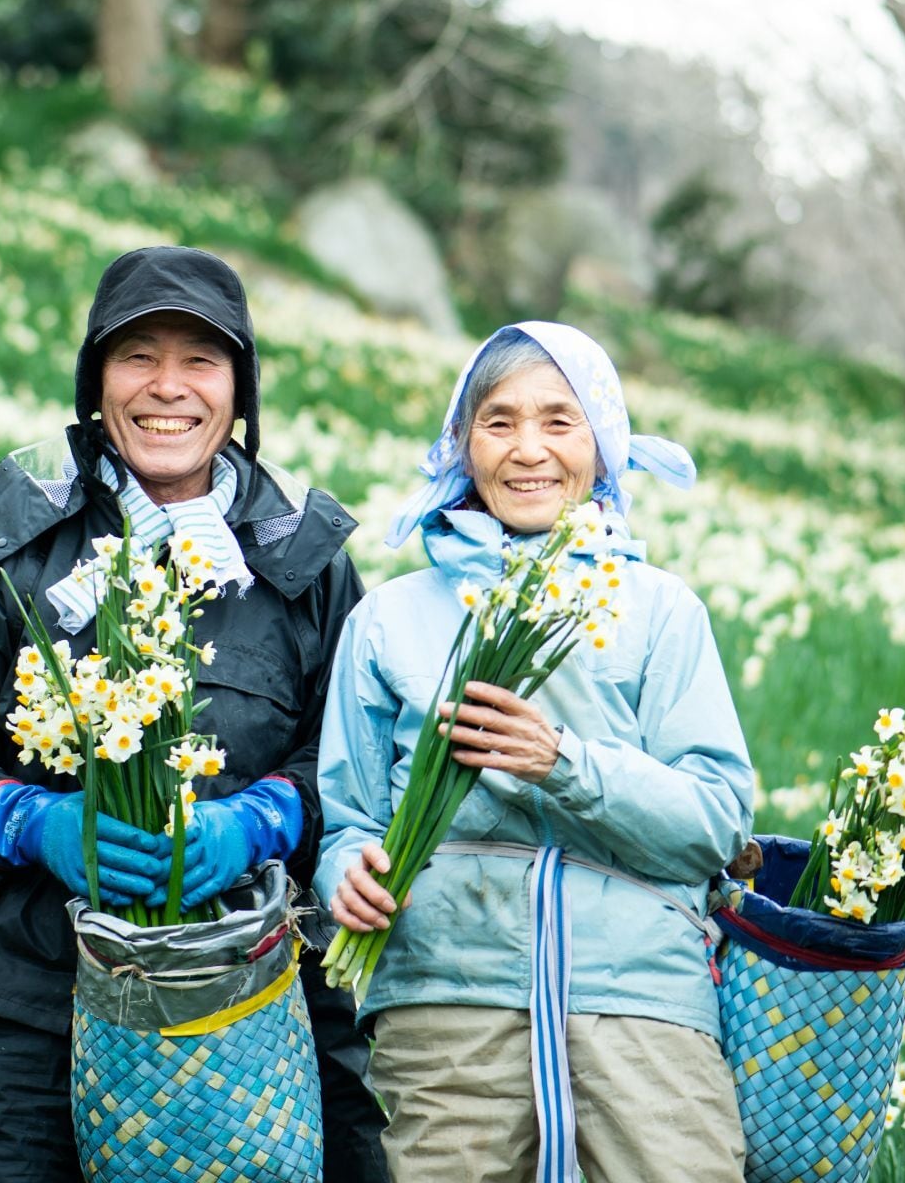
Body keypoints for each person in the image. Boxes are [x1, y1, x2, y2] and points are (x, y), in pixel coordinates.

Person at [0, 245, 388, 1182]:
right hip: (40, 993)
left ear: (240, 392)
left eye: (200, 361)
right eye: (136, 356)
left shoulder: (306, 564)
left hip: (263, 997)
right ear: (95, 380)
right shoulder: (8, 548)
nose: (168, 389)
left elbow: (361, 762)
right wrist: (34, 824)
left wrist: (260, 821)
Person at [315, 321, 754, 1183]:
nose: (528, 451)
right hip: (445, 1004)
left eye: (560, 421)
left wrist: (562, 762)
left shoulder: (662, 611)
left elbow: (716, 822)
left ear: (603, 439)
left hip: (640, 1005)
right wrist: (346, 876)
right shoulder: (392, 620)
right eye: (498, 420)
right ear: (460, 442)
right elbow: (346, 824)